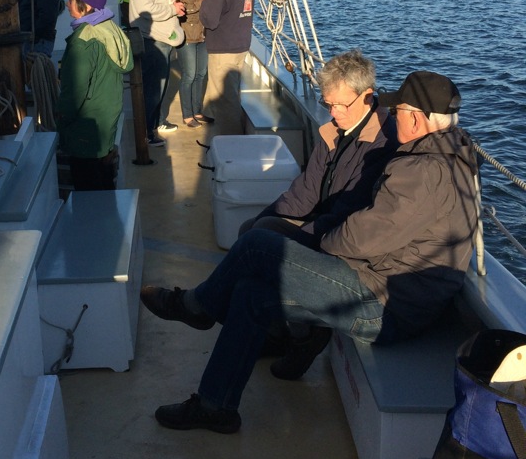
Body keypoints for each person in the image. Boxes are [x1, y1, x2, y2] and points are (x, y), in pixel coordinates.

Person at [140, 70, 478, 434]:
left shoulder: (425, 171)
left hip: (385, 304)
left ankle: (197, 307)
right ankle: (215, 406)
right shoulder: (442, 156)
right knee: (251, 293)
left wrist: (319, 244)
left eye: (399, 112)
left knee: (256, 245)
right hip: (387, 286)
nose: (393, 117)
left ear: (417, 118)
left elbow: (363, 237)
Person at [239, 49, 398, 248]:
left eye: (341, 105)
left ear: (367, 96)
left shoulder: (383, 145)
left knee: (261, 235)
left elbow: (349, 214)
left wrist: (299, 235)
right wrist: (264, 219)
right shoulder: (334, 132)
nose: (334, 113)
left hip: (337, 238)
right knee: (252, 227)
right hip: (323, 221)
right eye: (328, 104)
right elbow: (305, 192)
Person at [57, 0, 133, 190]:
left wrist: (61, 119)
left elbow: (75, 92)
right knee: (104, 182)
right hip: (106, 120)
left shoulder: (83, 41)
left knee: (87, 189)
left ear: (87, 5)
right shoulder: (110, 29)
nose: (67, 4)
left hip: (86, 129)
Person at [128, 0, 185, 146]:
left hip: (161, 38)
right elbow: (144, 9)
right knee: (153, 89)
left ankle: (156, 122)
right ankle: (147, 132)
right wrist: (172, 9)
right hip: (153, 41)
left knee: (158, 87)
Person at [200, 0, 255, 136]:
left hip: (223, 50)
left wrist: (205, 2)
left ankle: (232, 144)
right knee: (232, 95)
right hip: (240, 44)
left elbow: (209, 20)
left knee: (224, 103)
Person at [171, 0, 209, 128]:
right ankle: (187, 115)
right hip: (187, 32)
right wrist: (202, 3)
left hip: (203, 32)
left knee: (201, 73)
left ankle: (197, 111)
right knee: (189, 75)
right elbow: (181, 9)